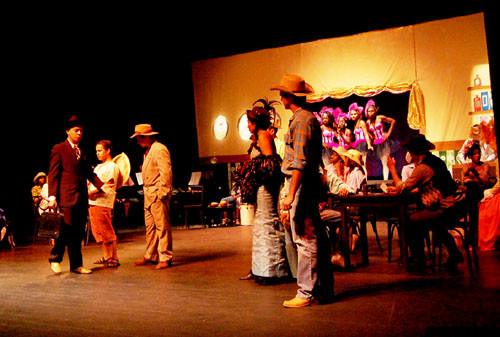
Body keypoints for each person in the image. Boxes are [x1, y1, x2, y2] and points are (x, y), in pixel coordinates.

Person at [271, 74, 333, 308]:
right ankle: (320, 289)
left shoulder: (302, 120)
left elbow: (299, 161)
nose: (280, 97)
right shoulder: (302, 118)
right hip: (304, 183)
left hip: (302, 185)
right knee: (310, 236)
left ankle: (306, 292)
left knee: (305, 238)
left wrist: (290, 193)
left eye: (283, 93)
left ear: (289, 96)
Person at [386, 134, 464, 272]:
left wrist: (392, 168)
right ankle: (453, 252)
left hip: (443, 208)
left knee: (410, 221)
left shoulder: (423, 168)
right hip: (454, 206)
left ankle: (418, 258)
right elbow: (430, 184)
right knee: (428, 220)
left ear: (414, 152)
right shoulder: (436, 161)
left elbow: (402, 188)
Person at [47, 115, 113, 275]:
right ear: (67, 131)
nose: (79, 133)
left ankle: (76, 265)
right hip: (66, 197)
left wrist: (102, 185)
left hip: (81, 198)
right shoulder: (59, 149)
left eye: (81, 131)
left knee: (78, 233)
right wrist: (52, 196)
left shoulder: (81, 151)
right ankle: (55, 258)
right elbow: (54, 173)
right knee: (65, 230)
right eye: (76, 130)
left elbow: (89, 173)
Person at [234, 101, 287, 285]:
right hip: (260, 187)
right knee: (261, 223)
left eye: (249, 122)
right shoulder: (259, 136)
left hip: (265, 187)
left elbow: (270, 162)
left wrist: (250, 170)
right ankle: (261, 268)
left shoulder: (263, 136)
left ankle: (272, 270)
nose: (247, 125)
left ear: (255, 123)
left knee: (266, 222)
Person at [132, 124, 173, 270]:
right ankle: (151, 254)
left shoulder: (159, 149)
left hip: (156, 193)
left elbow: (166, 172)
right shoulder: (148, 151)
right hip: (148, 194)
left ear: (146, 137)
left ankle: (165, 256)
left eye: (138, 137)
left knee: (162, 226)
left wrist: (163, 192)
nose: (137, 141)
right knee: (150, 227)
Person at [88, 140, 121, 268]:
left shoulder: (112, 166)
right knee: (100, 231)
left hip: (102, 201)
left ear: (108, 151)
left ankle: (114, 257)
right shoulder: (98, 166)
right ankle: (107, 256)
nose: (98, 153)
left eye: (100, 150)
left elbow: (109, 184)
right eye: (96, 151)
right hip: (93, 201)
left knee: (107, 230)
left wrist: (90, 193)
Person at [365, 99, 396, 180]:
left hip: (385, 141)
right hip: (377, 143)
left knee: (386, 161)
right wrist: (373, 137)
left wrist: (388, 133)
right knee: (382, 162)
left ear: (376, 110)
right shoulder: (367, 122)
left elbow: (393, 121)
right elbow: (367, 132)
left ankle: (386, 180)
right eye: (369, 111)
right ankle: (385, 179)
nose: (370, 113)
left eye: (372, 111)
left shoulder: (380, 118)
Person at [349, 103, 373, 173]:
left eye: (355, 114)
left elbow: (366, 134)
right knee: (359, 163)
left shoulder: (362, 122)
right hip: (357, 144)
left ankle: (365, 179)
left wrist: (369, 145)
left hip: (362, 143)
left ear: (358, 114)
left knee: (363, 162)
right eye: (352, 114)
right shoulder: (355, 124)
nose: (353, 116)